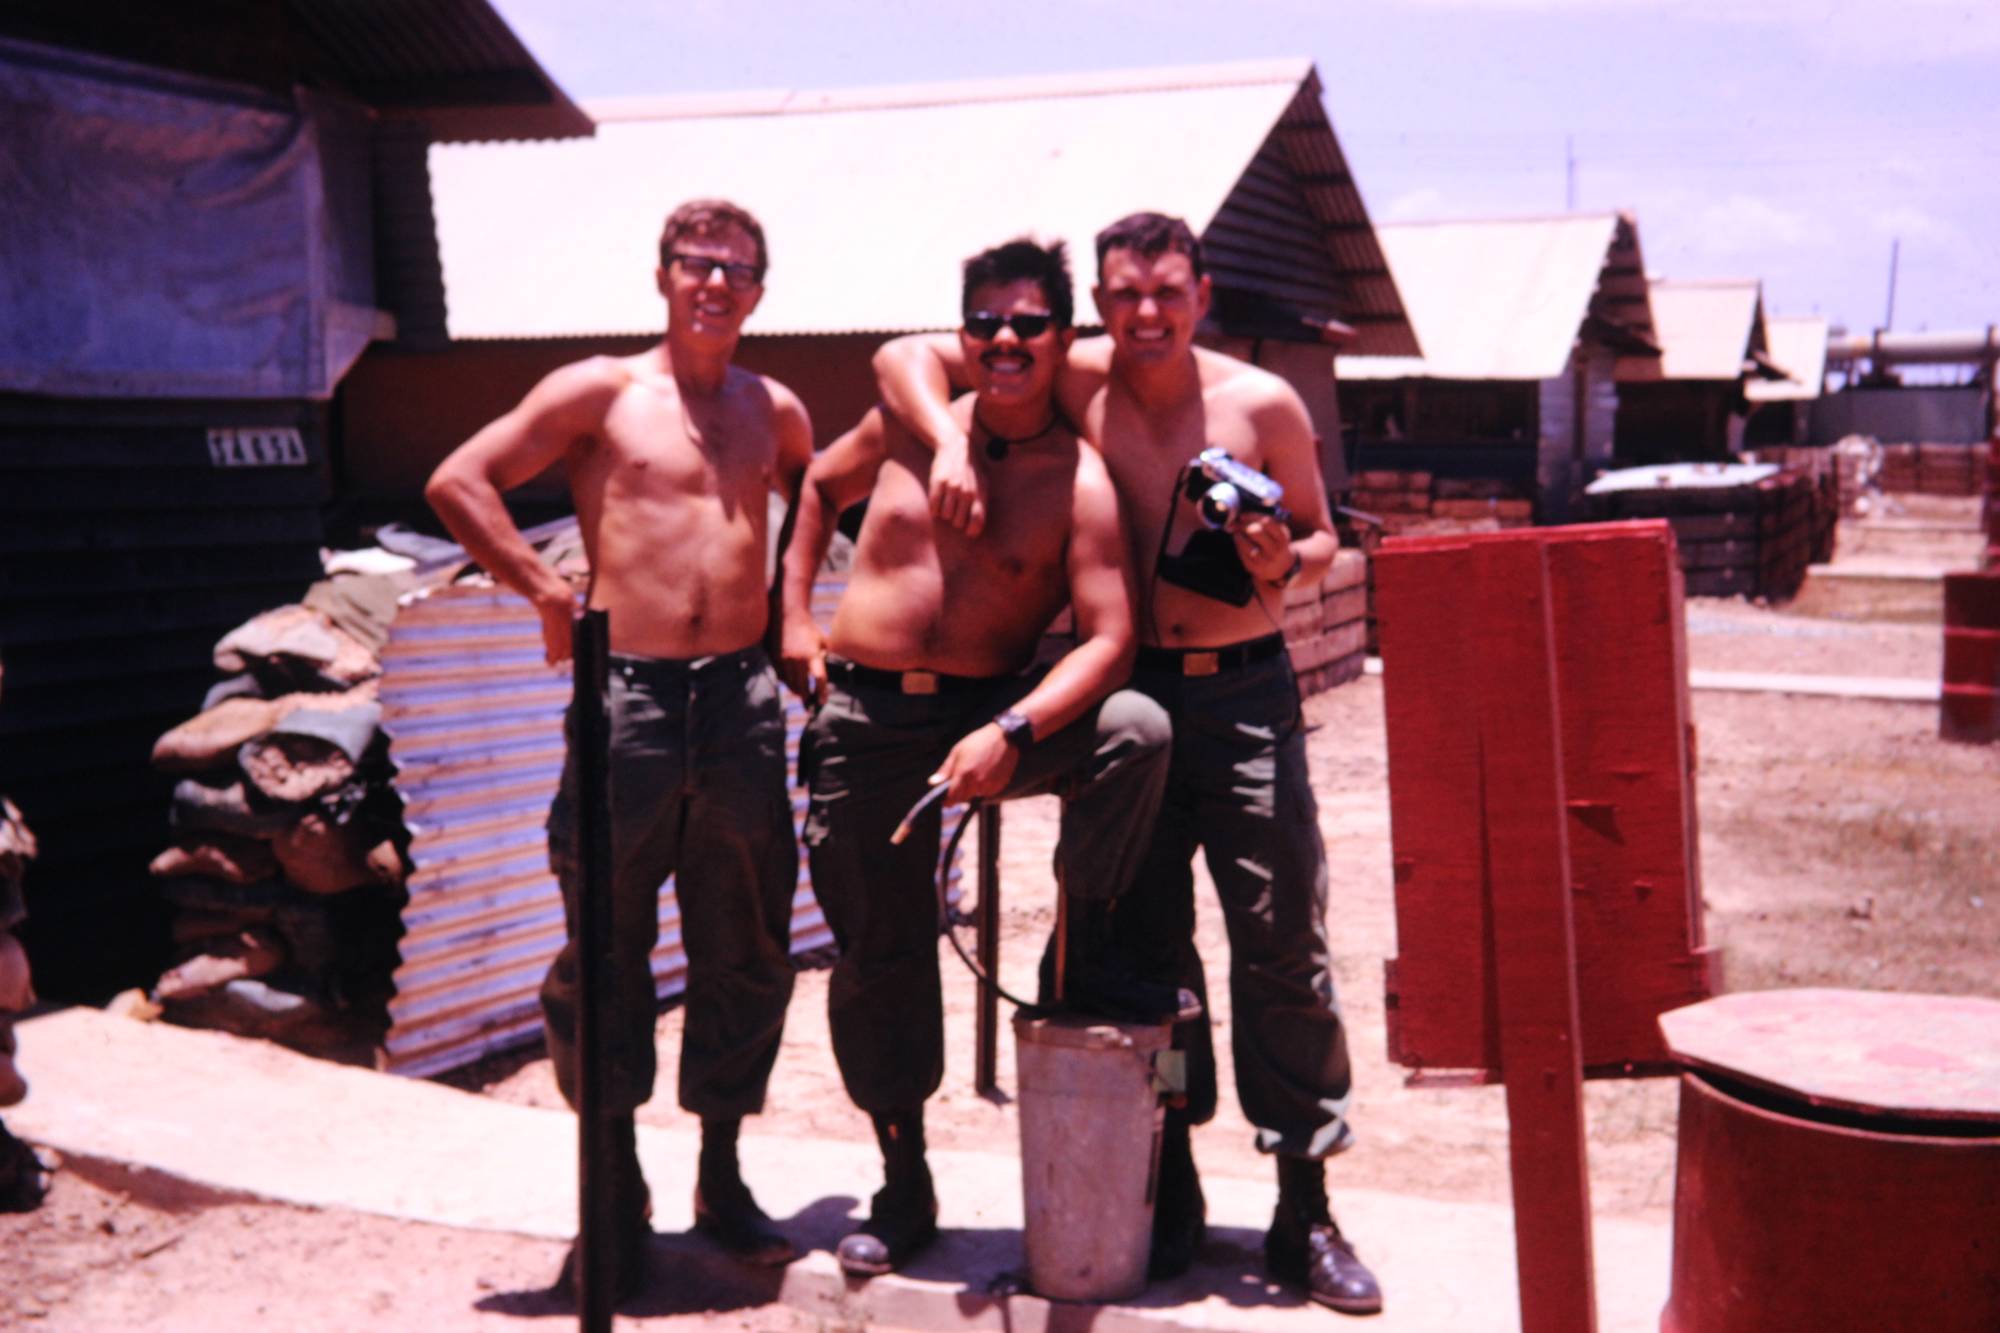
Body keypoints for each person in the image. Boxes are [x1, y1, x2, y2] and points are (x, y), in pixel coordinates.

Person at [870, 213, 1382, 1315]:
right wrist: (951, 441)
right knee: (1148, 964)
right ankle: (1174, 1172)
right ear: (1098, 304)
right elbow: (902, 357)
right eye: (1122, 296)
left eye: (1165, 292)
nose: (1143, 314)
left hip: (1244, 693)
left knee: (1280, 943)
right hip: (1131, 697)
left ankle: (1305, 1203)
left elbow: (1323, 534)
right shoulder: (1074, 375)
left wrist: (1277, 557)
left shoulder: (1260, 403)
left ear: (1200, 291)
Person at [425, 199, 813, 1301]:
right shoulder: (598, 391)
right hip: (626, 703)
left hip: (739, 705)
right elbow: (459, 478)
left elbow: (818, 501)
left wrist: (794, 615)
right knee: (603, 950)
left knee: (744, 946)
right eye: (697, 265)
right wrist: (545, 586)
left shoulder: (773, 408)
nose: (714, 285)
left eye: (737, 270)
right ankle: (613, 1183)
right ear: (661, 274)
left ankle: (722, 1177)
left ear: (757, 292)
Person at [780, 237, 1185, 1278]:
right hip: (866, 722)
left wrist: (1012, 733)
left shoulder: (1078, 479)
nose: (1005, 340)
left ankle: (1075, 941)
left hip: (988, 715)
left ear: (1062, 337)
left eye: (1028, 323)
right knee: (879, 959)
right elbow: (818, 487)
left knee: (1136, 728)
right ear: (962, 334)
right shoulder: (907, 426)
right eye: (985, 322)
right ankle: (901, 1177)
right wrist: (788, 619)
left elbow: (1108, 637)